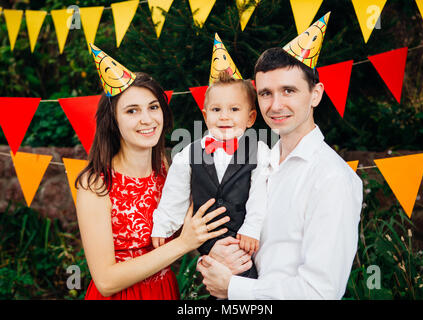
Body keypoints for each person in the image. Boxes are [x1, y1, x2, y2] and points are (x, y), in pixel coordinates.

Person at [197, 13, 364, 299]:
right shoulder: (260, 162)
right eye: (265, 93)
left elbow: (320, 292)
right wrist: (218, 253)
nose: (275, 105)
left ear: (315, 94)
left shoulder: (332, 178)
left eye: (288, 90)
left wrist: (232, 287)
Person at [75, 44, 230, 300]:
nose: (147, 119)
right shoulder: (96, 183)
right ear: (112, 120)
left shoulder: (164, 168)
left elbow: (190, 229)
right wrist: (183, 244)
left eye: (153, 107)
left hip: (164, 291)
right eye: (132, 111)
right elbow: (105, 281)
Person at [151, 70, 270, 281]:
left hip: (244, 240)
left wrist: (252, 228)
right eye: (216, 109)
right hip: (207, 242)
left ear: (250, 117)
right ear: (206, 116)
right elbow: (175, 195)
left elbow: (261, 193)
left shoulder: (259, 151)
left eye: (234, 109)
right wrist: (163, 226)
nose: (224, 116)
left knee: (245, 284)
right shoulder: (188, 153)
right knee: (213, 286)